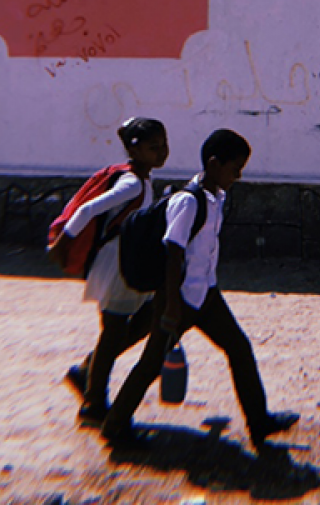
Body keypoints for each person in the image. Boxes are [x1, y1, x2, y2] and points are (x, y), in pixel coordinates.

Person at [99, 128, 298, 451]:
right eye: (235, 168)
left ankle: (259, 423)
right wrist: (172, 306)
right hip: (178, 299)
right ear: (215, 163)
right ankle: (114, 426)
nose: (238, 175)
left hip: (205, 294)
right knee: (151, 363)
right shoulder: (187, 202)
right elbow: (172, 252)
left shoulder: (216, 197)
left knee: (239, 349)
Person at [57, 117, 169, 426]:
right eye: (154, 147)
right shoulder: (131, 181)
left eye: (164, 145)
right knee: (114, 330)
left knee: (145, 319)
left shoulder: (142, 179)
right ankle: (94, 401)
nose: (162, 152)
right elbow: (88, 209)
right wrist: (63, 242)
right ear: (135, 149)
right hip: (117, 262)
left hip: (130, 260)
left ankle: (88, 370)